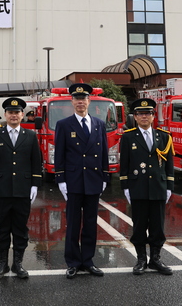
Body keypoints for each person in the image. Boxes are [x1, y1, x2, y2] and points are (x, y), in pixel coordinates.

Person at [54, 83, 109, 279]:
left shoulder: (99, 124)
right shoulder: (64, 125)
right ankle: (73, 262)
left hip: (93, 180)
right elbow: (59, 154)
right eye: (76, 99)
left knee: (91, 223)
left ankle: (88, 261)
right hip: (74, 181)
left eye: (83, 99)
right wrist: (60, 179)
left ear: (89, 101)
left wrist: (105, 175)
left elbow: (104, 153)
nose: (80, 102)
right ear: (72, 101)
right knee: (73, 223)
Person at [0, 97, 42, 279]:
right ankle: (2, 264)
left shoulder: (31, 136)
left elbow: (36, 162)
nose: (14, 115)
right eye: (10, 112)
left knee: (20, 228)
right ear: (5, 115)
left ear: (22, 115)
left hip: (23, 190)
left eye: (17, 112)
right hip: (2, 190)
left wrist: (35, 185)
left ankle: (18, 263)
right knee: (2, 228)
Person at [120, 98, 175, 276]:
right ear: (134, 117)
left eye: (148, 113)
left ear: (153, 116)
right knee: (139, 226)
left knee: (158, 227)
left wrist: (169, 186)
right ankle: (141, 259)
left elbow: (169, 165)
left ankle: (156, 259)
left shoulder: (164, 136)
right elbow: (125, 165)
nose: (144, 116)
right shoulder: (128, 137)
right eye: (140, 114)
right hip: (138, 188)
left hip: (158, 187)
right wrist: (125, 186)